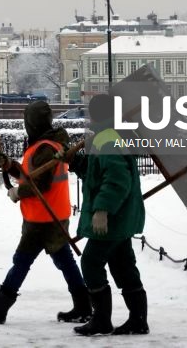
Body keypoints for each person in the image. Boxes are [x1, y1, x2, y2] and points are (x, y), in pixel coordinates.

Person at [0, 101, 91, 324]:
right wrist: (10, 165)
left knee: (23, 260)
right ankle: (83, 305)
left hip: (43, 217)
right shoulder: (49, 144)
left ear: (32, 123)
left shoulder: (45, 148)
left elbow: (41, 184)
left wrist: (18, 192)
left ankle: (0, 305)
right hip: (52, 214)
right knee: (63, 261)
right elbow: (30, 175)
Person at [65, 94, 148, 336]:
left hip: (112, 220)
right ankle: (138, 320)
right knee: (123, 266)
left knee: (91, 263)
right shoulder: (107, 136)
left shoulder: (108, 139)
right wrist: (74, 162)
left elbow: (117, 180)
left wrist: (102, 209)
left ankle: (102, 320)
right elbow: (96, 173)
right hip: (119, 219)